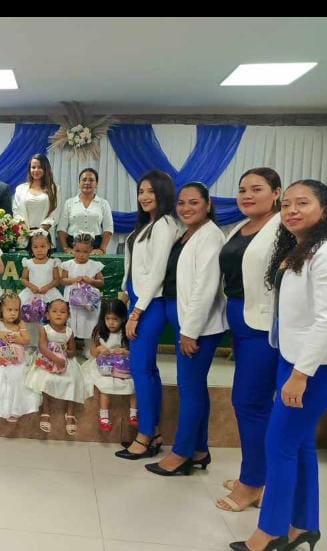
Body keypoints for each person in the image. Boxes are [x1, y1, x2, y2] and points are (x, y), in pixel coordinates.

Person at [231, 180, 327, 551]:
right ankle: (304, 525)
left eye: (303, 203)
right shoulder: (303, 247)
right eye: (286, 205)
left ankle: (270, 532)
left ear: (325, 209)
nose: (292, 210)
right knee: (299, 444)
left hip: (318, 366)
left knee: (280, 442)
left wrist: (301, 374)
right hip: (293, 357)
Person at [144, 183, 226, 476]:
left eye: (194, 202)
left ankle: (181, 453)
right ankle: (199, 449)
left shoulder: (211, 236)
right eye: (181, 203)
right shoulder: (188, 233)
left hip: (199, 327)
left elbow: (205, 287)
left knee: (190, 390)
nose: (186, 208)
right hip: (190, 321)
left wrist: (190, 331)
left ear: (208, 204)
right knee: (194, 388)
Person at [216, 168, 282, 512]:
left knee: (249, 404)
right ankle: (257, 475)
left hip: (263, 326)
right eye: (242, 189)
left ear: (277, 192)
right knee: (253, 404)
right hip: (240, 321)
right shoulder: (240, 228)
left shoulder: (283, 227)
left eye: (257, 189)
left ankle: (253, 484)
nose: (247, 195)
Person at [115, 170, 178, 460]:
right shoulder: (147, 224)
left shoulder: (165, 224)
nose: (144, 196)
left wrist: (137, 312)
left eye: (151, 191)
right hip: (138, 299)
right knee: (146, 369)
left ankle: (145, 435)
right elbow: (134, 267)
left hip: (151, 304)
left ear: (163, 193)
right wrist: (124, 292)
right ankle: (153, 431)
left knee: (141, 368)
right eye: (141, 191)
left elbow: (157, 272)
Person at [25, 299, 89, 435]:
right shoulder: (45, 329)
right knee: (45, 379)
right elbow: (42, 347)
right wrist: (55, 358)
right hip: (47, 359)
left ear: (68, 315)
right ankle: (46, 410)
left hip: (65, 361)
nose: (58, 314)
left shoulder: (69, 332)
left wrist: (65, 353)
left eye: (63, 312)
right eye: (54, 311)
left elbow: (73, 350)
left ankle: (70, 413)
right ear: (47, 315)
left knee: (73, 380)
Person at [0, 291, 41, 421]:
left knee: (16, 377)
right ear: (1, 309)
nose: (13, 313)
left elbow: (27, 340)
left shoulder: (20, 324)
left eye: (16, 310)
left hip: (15, 358)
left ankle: (14, 408)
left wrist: (16, 338)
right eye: (9, 310)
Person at [81, 299, 136, 432]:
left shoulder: (126, 333)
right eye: (107, 318)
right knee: (105, 384)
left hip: (122, 366)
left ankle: (134, 414)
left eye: (115, 319)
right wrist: (99, 349)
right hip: (104, 365)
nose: (111, 322)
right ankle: (104, 416)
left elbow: (135, 352)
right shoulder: (99, 331)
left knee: (133, 384)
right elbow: (93, 352)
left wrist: (125, 351)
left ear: (123, 318)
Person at [60, 233, 105, 352]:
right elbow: (62, 280)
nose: (81, 254)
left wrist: (91, 281)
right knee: (70, 321)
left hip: (88, 301)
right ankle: (69, 347)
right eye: (77, 251)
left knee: (89, 323)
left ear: (91, 251)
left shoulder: (94, 265)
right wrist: (74, 280)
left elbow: (101, 282)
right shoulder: (68, 264)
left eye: (85, 252)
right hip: (72, 298)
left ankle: (89, 348)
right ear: (72, 249)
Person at [18, 228, 63, 348]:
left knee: (47, 320)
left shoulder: (52, 262)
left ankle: (47, 344)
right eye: (35, 247)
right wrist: (31, 286)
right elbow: (23, 279)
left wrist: (47, 287)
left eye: (43, 246)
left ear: (49, 246)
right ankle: (32, 343)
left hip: (48, 294)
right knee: (30, 320)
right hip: (31, 295)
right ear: (31, 248)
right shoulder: (28, 263)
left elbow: (57, 280)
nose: (39, 250)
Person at [57, 168, 114, 255]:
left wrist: (102, 249)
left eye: (91, 180)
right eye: (84, 180)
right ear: (79, 183)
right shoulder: (69, 203)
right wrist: (66, 248)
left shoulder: (104, 203)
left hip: (95, 247)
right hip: (72, 247)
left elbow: (108, 229)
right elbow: (61, 228)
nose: (87, 183)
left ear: (96, 184)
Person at [12, 154, 59, 232]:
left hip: (44, 235)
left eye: (40, 167)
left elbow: (54, 214)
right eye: (33, 167)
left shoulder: (54, 189)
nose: (36, 170)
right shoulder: (20, 189)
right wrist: (25, 230)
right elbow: (16, 212)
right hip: (25, 234)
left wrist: (40, 232)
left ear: (46, 169)